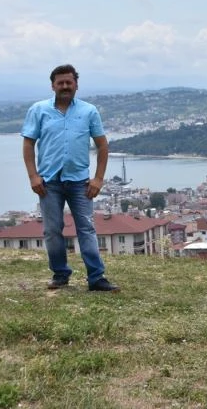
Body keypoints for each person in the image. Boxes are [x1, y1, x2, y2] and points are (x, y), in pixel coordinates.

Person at [22, 64, 120, 292]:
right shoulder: (38, 110)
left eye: (69, 82)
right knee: (52, 229)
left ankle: (96, 278)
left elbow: (102, 145)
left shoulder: (89, 111)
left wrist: (98, 179)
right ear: (53, 85)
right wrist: (33, 176)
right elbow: (28, 144)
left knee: (86, 228)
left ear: (76, 84)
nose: (65, 86)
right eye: (60, 83)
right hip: (49, 182)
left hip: (79, 182)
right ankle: (60, 275)